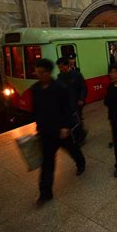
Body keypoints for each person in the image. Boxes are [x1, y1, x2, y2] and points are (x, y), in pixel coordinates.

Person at [32, 59, 86, 205]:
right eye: (37, 72)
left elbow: (68, 109)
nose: (38, 75)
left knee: (72, 149)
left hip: (61, 130)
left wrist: (66, 127)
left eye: (41, 72)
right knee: (47, 163)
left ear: (49, 73)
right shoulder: (35, 89)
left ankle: (81, 163)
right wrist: (38, 127)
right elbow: (36, 110)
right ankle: (45, 193)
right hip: (46, 132)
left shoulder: (60, 88)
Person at [56, 57, 88, 145]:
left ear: (67, 65)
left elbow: (83, 87)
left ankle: (80, 138)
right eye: (59, 67)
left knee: (77, 119)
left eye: (62, 67)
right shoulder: (60, 76)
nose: (61, 69)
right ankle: (81, 134)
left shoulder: (76, 74)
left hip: (77, 102)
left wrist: (81, 98)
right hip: (67, 104)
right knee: (73, 120)